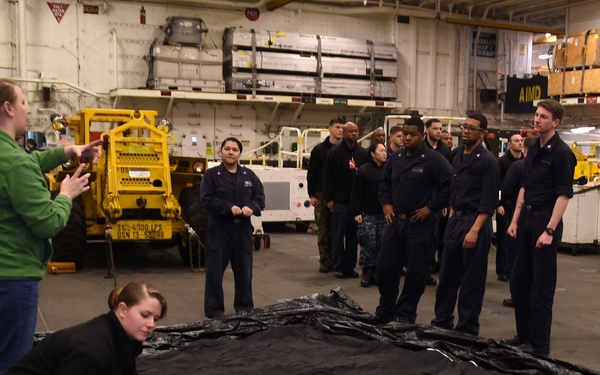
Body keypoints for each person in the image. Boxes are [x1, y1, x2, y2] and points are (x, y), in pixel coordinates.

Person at [0, 78, 103, 373]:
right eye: (22, 102)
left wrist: (70, 151)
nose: (28, 110)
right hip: (13, 279)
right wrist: (65, 196)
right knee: (13, 363)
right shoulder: (16, 163)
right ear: (8, 108)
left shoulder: (10, 156)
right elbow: (47, 223)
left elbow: (28, 164)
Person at [502, 99, 577, 356]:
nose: (537, 119)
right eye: (536, 115)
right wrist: (514, 221)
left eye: (543, 117)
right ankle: (523, 336)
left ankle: (539, 344)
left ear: (555, 122)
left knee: (541, 286)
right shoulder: (533, 148)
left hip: (546, 221)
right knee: (519, 281)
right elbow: (525, 187)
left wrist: (550, 230)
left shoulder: (562, 154)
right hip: (526, 221)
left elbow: (563, 195)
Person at [376, 117, 451, 323]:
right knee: (385, 269)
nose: (407, 138)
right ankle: (385, 311)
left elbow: (449, 185)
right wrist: (386, 203)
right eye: (404, 134)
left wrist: (431, 208)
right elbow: (384, 183)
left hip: (420, 226)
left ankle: (406, 314)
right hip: (396, 223)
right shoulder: (396, 157)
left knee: (415, 274)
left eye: (413, 134)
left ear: (422, 135)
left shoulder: (434, 160)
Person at [431, 112, 500, 336]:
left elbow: (488, 202)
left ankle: (467, 330)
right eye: (465, 126)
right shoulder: (457, 155)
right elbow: (454, 188)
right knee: (447, 276)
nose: (466, 131)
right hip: (455, 220)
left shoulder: (488, 161)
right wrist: (451, 213)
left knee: (471, 281)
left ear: (482, 133)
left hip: (475, 223)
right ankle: (442, 322)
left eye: (472, 128)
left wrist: (474, 230)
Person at [8, 281, 167, 375]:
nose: (151, 324)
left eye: (156, 319)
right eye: (145, 315)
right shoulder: (91, 350)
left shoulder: (125, 341)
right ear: (123, 310)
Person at [200, 137, 265, 319]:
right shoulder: (211, 176)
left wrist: (252, 208)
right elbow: (206, 199)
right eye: (227, 149)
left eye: (234, 149)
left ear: (239, 153)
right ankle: (214, 311)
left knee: (244, 273)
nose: (230, 152)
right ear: (221, 152)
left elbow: (260, 198)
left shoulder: (249, 176)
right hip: (219, 231)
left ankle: (244, 309)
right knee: (214, 274)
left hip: (242, 232)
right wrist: (228, 207)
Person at [322, 122, 369, 279]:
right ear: (344, 132)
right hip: (340, 203)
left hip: (356, 205)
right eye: (351, 131)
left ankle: (350, 266)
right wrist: (329, 199)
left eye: (356, 131)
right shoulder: (334, 154)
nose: (354, 134)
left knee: (353, 237)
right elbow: (327, 178)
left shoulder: (362, 154)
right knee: (337, 236)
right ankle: (339, 266)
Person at [500, 135, 537, 308]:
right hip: (538, 221)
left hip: (516, 215)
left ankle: (517, 297)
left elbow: (506, 189)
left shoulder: (518, 166)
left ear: (525, 149)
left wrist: (506, 203)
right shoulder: (545, 167)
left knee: (515, 259)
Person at [307, 118, 344, 273]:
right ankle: (324, 260)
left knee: (338, 231)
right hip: (321, 195)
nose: (340, 130)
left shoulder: (346, 150)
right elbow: (312, 174)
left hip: (340, 196)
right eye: (337, 127)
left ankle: (337, 260)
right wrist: (312, 195)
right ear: (329, 129)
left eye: (342, 127)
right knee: (323, 230)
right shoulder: (319, 150)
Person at [351, 143, 387, 287]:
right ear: (373, 153)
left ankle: (376, 272)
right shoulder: (364, 171)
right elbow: (356, 193)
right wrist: (357, 212)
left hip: (384, 214)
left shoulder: (388, 170)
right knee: (368, 243)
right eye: (381, 151)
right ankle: (366, 271)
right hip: (368, 214)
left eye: (385, 151)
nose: (385, 153)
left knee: (382, 244)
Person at [423, 119, 453, 286]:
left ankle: (432, 269)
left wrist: (446, 203)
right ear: (427, 130)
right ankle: (421, 269)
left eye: (440, 129)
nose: (438, 132)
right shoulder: (421, 150)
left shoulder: (446, 152)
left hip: (439, 202)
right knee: (423, 239)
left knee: (438, 238)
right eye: (435, 128)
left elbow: (449, 181)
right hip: (422, 200)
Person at [495, 133, 524, 282]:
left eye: (521, 141)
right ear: (510, 145)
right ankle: (502, 269)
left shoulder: (526, 162)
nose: (519, 143)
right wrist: (498, 204)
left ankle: (514, 267)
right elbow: (497, 184)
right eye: (516, 141)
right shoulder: (502, 162)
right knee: (503, 238)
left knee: (517, 239)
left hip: (520, 206)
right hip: (505, 206)